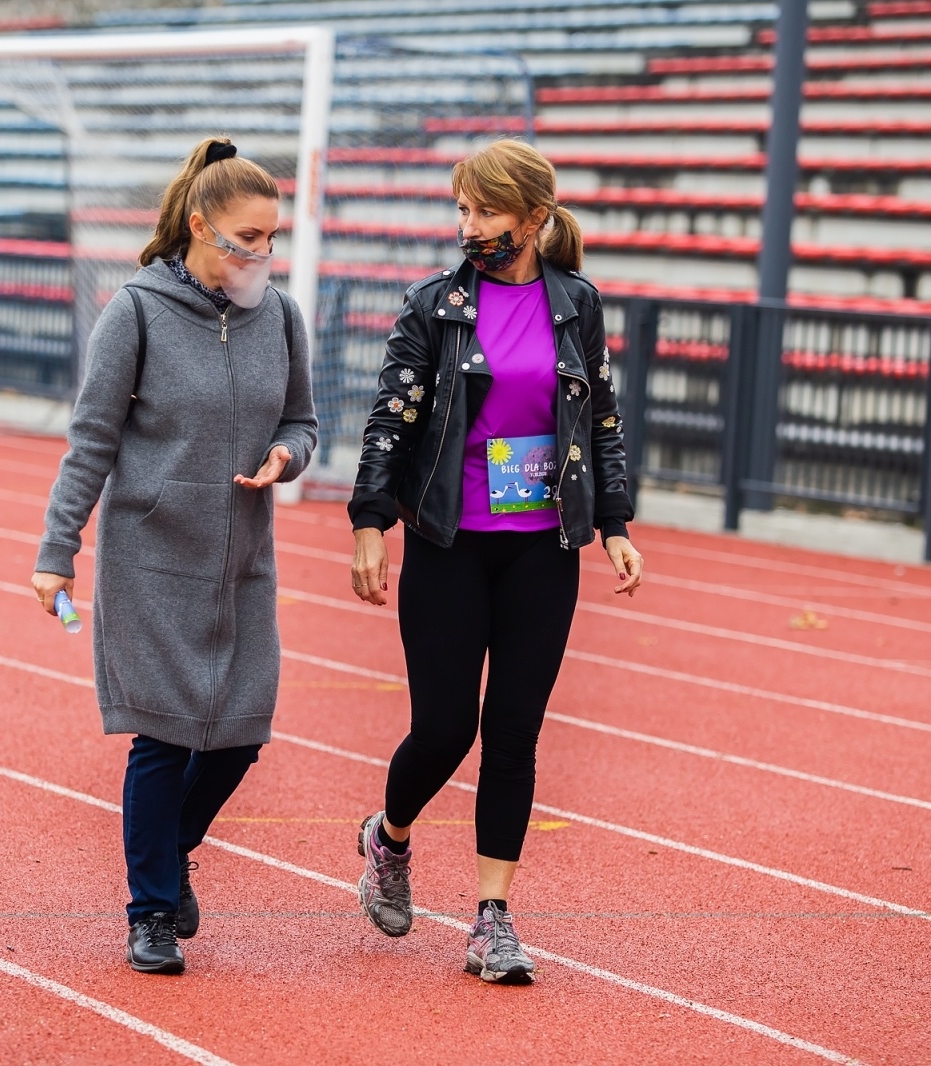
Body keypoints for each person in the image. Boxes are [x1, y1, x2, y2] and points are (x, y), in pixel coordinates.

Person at [346, 139, 643, 984]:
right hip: (449, 542)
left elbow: (603, 420)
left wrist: (614, 521)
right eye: (463, 210)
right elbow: (392, 418)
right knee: (445, 730)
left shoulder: (576, 303)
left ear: (535, 218)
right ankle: (389, 837)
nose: (468, 225)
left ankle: (492, 921)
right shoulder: (434, 305)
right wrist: (371, 520)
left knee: (514, 734)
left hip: (545, 550)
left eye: (483, 211)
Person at [32, 137, 317, 976]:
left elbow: (302, 421)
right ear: (200, 226)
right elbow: (91, 441)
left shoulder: (284, 315)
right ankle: (151, 909)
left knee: (237, 736)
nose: (261, 253)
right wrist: (58, 551)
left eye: (271, 238)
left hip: (244, 564)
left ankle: (170, 852)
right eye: (247, 238)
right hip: (151, 560)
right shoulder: (138, 310)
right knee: (162, 739)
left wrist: (286, 459)